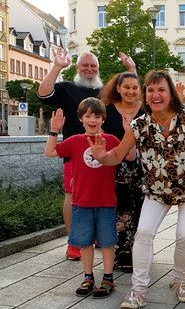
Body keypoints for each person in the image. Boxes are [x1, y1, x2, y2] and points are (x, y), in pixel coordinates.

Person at [89, 70, 185, 308]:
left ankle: (181, 280)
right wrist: (101, 156)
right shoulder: (138, 125)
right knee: (144, 232)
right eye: (151, 90)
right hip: (157, 190)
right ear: (145, 95)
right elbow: (116, 155)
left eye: (161, 90)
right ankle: (138, 290)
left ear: (171, 94)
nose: (155, 95)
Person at [38, 48, 135, 260]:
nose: (89, 69)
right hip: (75, 152)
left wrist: (131, 70)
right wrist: (56, 66)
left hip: (106, 152)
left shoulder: (106, 92)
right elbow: (44, 93)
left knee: (104, 194)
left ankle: (100, 236)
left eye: (93, 66)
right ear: (77, 67)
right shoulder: (66, 88)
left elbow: (131, 93)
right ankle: (75, 242)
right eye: (85, 65)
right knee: (73, 195)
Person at [45, 98, 130, 299]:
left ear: (103, 119)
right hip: (81, 202)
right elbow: (49, 152)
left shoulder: (111, 139)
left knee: (108, 242)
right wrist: (54, 130)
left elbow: (131, 156)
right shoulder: (74, 141)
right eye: (88, 116)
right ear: (81, 118)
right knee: (85, 243)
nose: (92, 120)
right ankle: (88, 276)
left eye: (97, 116)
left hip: (106, 201)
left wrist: (128, 132)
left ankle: (108, 278)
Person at [99, 72, 145, 272]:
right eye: (126, 87)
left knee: (141, 212)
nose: (131, 91)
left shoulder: (146, 111)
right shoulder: (107, 111)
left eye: (135, 87)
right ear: (118, 88)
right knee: (120, 212)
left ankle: (139, 253)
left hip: (143, 169)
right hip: (114, 169)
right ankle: (122, 254)